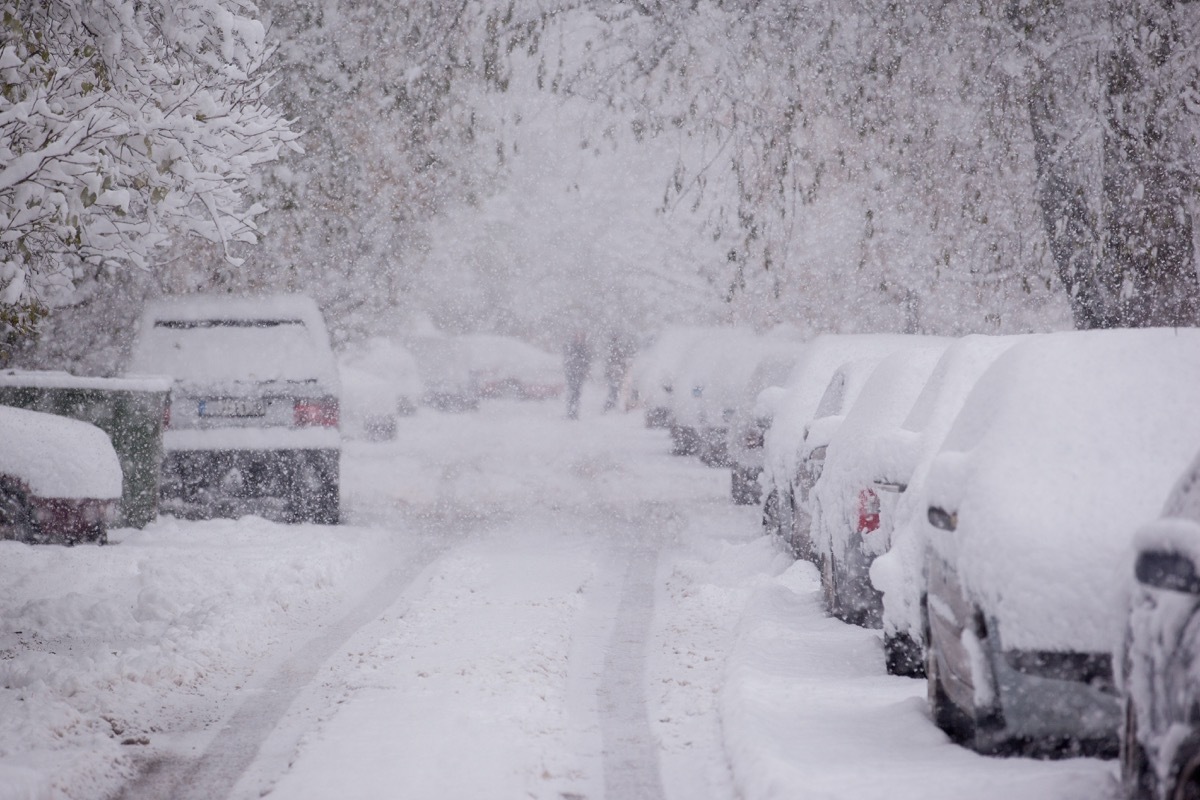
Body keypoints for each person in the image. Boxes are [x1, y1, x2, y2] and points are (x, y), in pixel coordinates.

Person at [563, 330, 592, 419]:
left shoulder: (583, 348)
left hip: (578, 374)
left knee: (576, 394)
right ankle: (571, 412)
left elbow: (587, 361)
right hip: (572, 374)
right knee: (572, 393)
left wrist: (584, 369)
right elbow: (568, 359)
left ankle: (574, 412)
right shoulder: (572, 347)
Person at [603, 331, 634, 412]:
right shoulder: (616, 350)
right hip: (615, 374)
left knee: (614, 391)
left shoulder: (614, 350)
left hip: (616, 374)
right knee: (614, 391)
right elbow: (615, 362)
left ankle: (610, 406)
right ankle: (609, 407)